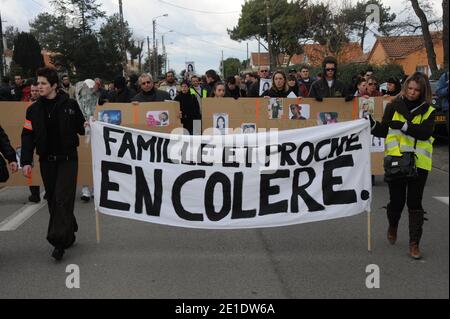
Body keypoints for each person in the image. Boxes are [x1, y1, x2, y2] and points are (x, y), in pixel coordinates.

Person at [21, 67, 86, 261]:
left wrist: (87, 125)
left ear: (54, 85)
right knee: (53, 200)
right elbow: (27, 135)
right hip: (47, 162)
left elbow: (81, 129)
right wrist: (26, 161)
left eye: (43, 83)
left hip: (68, 160)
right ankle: (70, 227)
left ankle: (58, 241)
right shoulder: (33, 110)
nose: (38, 87)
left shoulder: (71, 105)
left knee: (61, 199)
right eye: (37, 83)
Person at [368, 72, 436, 260]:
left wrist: (405, 126)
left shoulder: (429, 110)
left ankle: (414, 244)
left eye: (416, 90)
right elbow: (384, 130)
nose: (412, 93)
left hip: (419, 164)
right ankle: (393, 224)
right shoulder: (393, 106)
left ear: (423, 92)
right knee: (396, 202)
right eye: (410, 89)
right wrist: (373, 125)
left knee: (414, 203)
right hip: (396, 161)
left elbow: (425, 133)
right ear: (405, 88)